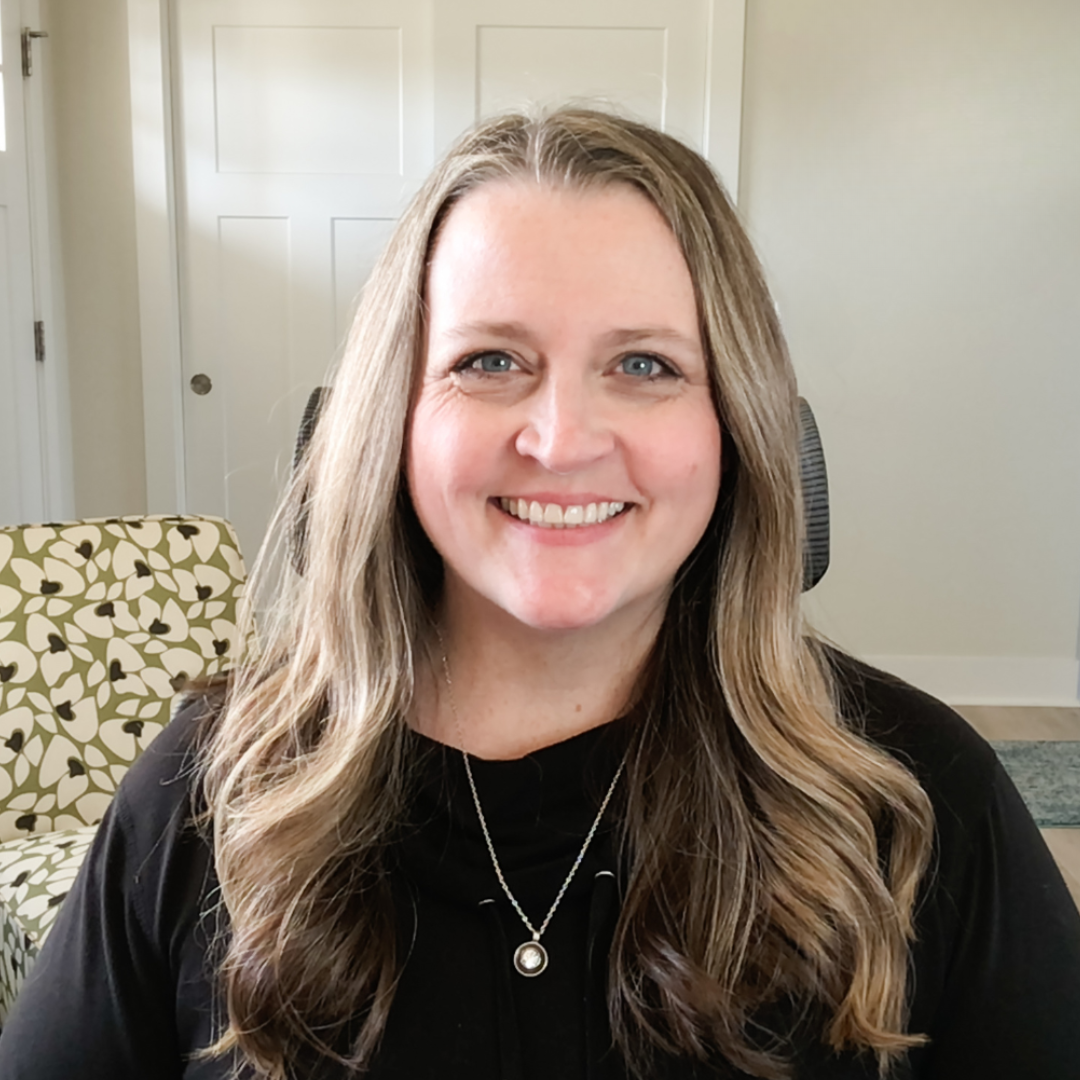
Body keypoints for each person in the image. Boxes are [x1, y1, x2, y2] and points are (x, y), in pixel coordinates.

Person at [1, 108, 1078, 1080]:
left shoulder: (919, 800)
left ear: (737, 427)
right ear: (393, 422)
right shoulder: (207, 795)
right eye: (489, 360)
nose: (561, 440)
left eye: (646, 366)